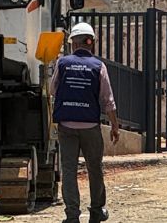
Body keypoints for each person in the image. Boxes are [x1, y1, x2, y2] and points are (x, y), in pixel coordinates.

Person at [51, 21, 120, 223]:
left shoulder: (62, 63)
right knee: (95, 169)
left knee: (69, 169)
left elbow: (53, 89)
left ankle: (72, 215)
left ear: (73, 42)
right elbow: (108, 101)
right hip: (90, 127)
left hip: (66, 127)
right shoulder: (99, 66)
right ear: (91, 43)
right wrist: (115, 126)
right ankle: (97, 211)